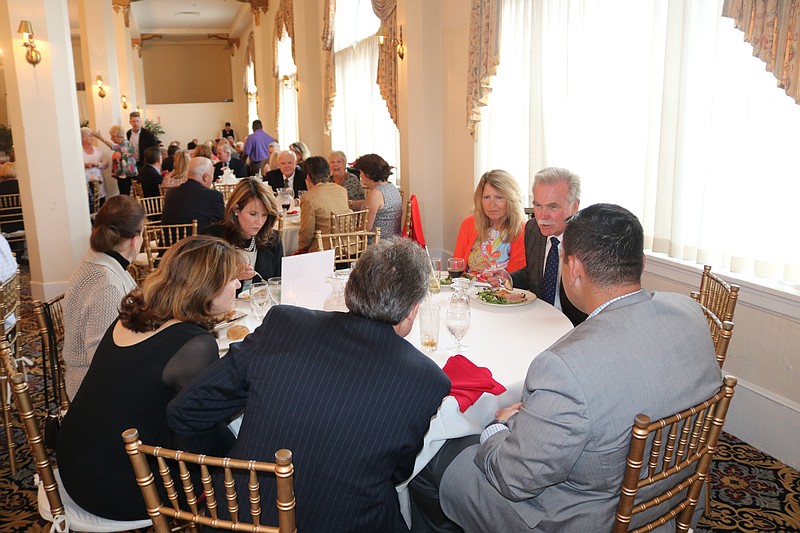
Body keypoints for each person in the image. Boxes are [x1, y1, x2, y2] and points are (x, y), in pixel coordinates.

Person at [410, 203, 724, 533]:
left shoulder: (564, 367)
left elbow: (514, 479)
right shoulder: (690, 312)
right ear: (641, 263)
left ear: (572, 268)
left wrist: (498, 427)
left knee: (436, 454)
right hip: (673, 495)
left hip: (584, 517)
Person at [167, 238, 451, 532]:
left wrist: (240, 462)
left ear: (351, 289)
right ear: (412, 311)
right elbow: (397, 471)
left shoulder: (284, 323)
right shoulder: (427, 380)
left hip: (242, 519)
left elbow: (187, 411)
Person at [57, 235, 241, 522]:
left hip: (76, 459)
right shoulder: (193, 345)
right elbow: (201, 426)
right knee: (238, 464)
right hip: (120, 485)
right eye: (231, 279)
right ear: (208, 288)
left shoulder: (132, 315)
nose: (238, 285)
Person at [62, 195, 145, 400]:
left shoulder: (99, 259)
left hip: (99, 378)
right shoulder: (106, 283)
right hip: (92, 391)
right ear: (135, 240)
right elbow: (104, 358)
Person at [485, 167, 587, 326]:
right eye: (538, 205)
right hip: (536, 320)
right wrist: (509, 277)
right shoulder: (533, 229)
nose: (542, 215)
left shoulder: (587, 242)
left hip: (573, 327)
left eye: (553, 207)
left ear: (575, 206)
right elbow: (533, 273)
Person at [204, 178, 282, 293]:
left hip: (261, 307)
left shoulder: (273, 239)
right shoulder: (213, 237)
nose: (259, 222)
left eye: (264, 215)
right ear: (236, 209)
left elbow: (278, 282)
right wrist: (232, 277)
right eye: (253, 214)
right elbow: (203, 286)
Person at [453, 170, 526, 280]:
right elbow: (457, 266)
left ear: (511, 200)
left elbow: (515, 280)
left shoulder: (521, 230)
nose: (491, 204)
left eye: (499, 197)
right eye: (486, 197)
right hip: (467, 290)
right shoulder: (469, 224)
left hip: (500, 294)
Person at [293, 156, 348, 254]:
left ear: (308, 177)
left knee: (290, 254)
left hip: (324, 250)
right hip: (347, 246)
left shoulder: (308, 197)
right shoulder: (341, 190)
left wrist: (301, 248)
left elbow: (307, 232)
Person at [161, 157, 225, 232]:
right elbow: (222, 223)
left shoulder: (171, 193)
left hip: (169, 242)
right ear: (205, 177)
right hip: (198, 242)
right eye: (212, 176)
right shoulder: (213, 196)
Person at [352, 153, 402, 238]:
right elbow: (370, 205)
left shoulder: (376, 193)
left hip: (378, 244)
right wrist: (350, 204)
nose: (360, 175)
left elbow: (365, 229)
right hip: (394, 241)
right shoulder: (391, 187)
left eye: (361, 172)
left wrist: (351, 230)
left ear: (367, 174)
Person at [93, 125, 137, 195]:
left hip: (126, 177)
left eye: (112, 136)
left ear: (118, 136)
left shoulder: (125, 145)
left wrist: (100, 138)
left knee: (124, 196)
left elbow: (113, 147)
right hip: (124, 176)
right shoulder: (124, 144)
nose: (111, 138)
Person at [81, 127, 108, 210]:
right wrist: (84, 165)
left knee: (101, 205)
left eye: (92, 136)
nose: (92, 138)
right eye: (89, 136)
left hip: (99, 183)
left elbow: (106, 164)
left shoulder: (97, 150)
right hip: (87, 184)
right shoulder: (79, 151)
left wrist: (97, 164)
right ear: (82, 138)